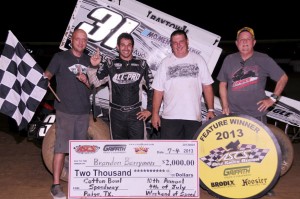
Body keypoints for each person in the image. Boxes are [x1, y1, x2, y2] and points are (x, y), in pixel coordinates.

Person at [44, 29, 91, 199]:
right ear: (71, 40)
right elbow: (47, 75)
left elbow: (94, 86)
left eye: (84, 40)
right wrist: (45, 78)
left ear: (86, 42)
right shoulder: (60, 57)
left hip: (84, 111)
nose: (80, 42)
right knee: (61, 148)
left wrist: (87, 81)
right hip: (65, 111)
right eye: (77, 39)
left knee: (81, 149)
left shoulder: (89, 61)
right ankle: (55, 185)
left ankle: (79, 183)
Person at [87, 32, 153, 139]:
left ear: (133, 47)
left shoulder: (142, 65)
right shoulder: (110, 64)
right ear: (117, 47)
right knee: (118, 149)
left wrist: (150, 109)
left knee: (139, 150)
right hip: (116, 115)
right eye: (123, 45)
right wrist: (93, 67)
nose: (126, 48)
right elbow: (95, 83)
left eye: (129, 45)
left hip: (136, 114)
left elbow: (152, 88)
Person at [151, 29, 215, 140]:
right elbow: (158, 90)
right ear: (171, 45)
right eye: (175, 42)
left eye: (181, 41)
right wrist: (155, 113)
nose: (178, 45)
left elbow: (207, 86)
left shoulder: (198, 60)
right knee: (169, 153)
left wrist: (210, 110)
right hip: (170, 118)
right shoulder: (165, 63)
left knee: (191, 154)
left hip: (193, 118)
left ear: (187, 41)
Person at [217, 27, 288, 124]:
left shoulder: (263, 59)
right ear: (236, 43)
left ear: (254, 42)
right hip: (233, 114)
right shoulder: (229, 59)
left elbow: (283, 78)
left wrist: (272, 99)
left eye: (248, 39)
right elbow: (222, 84)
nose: (245, 41)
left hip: (256, 115)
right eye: (241, 39)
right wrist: (225, 106)